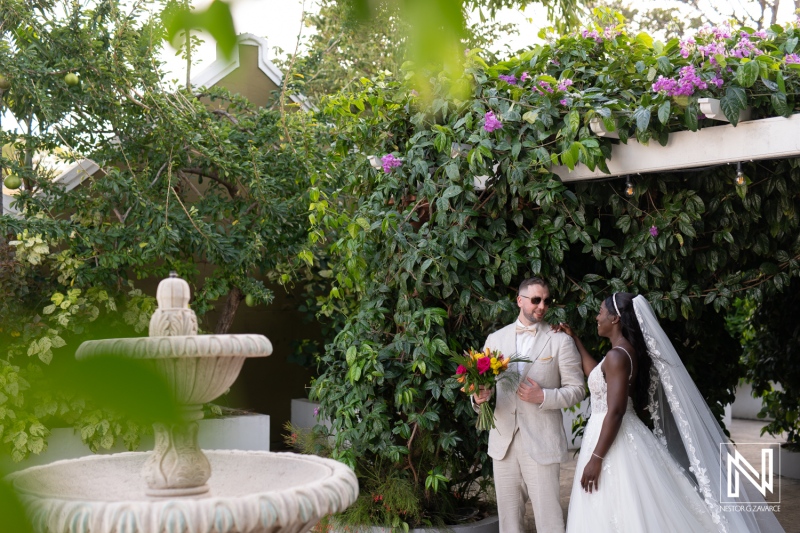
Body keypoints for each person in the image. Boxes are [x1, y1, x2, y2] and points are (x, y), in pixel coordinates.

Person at [557, 292, 784, 533]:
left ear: (615, 319)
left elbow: (616, 411)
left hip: (610, 438)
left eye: (601, 312)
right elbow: (597, 376)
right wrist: (576, 341)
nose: (596, 317)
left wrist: (596, 459)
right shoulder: (622, 353)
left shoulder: (617, 356)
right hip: (616, 434)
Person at [472, 277, 584, 533]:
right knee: (509, 522)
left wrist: (543, 396)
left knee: (549, 520)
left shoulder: (560, 341)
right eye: (535, 300)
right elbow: (481, 384)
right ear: (520, 300)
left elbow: (577, 390)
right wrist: (479, 399)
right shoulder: (495, 340)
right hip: (503, 443)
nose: (541, 306)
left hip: (542, 440)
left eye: (546, 300)